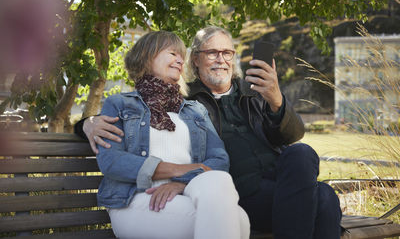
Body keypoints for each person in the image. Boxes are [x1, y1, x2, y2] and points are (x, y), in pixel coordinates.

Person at [75, 26, 342, 239]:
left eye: (227, 53)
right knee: (322, 199)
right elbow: (115, 139)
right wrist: (86, 123)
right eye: (212, 52)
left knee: (306, 159)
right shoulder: (187, 99)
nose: (221, 60)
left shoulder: (245, 96)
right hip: (234, 189)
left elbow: (291, 134)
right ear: (196, 60)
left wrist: (276, 99)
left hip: (271, 184)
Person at [91, 30, 250, 239]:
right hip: (136, 199)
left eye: (181, 56)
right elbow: (112, 161)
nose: (179, 60)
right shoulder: (120, 104)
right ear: (147, 56)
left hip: (185, 193)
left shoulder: (194, 110)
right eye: (172, 53)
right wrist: (181, 169)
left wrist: (181, 182)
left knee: (221, 187)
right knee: (237, 220)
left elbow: (219, 159)